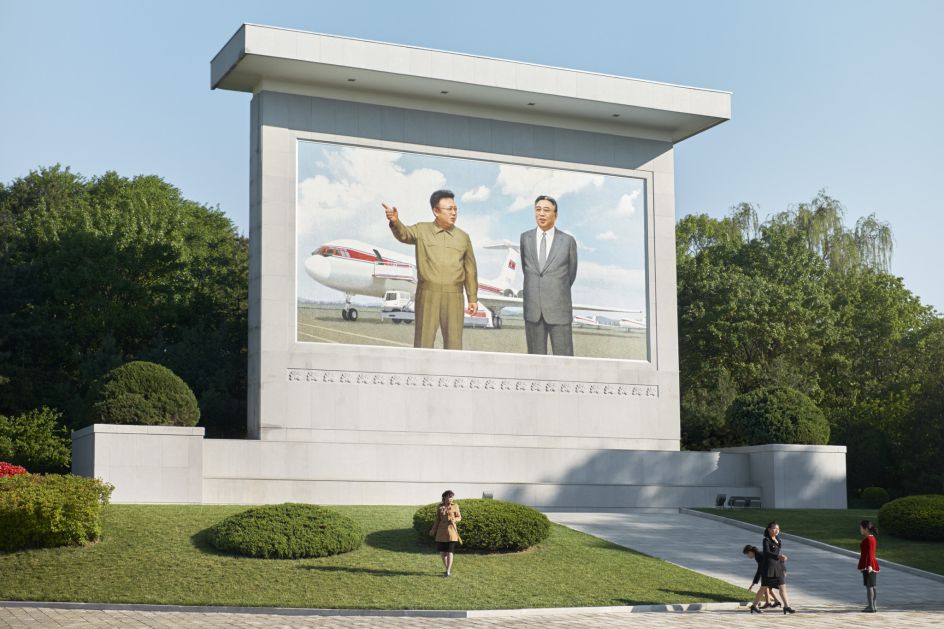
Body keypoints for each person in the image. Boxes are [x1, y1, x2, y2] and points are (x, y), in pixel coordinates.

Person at [383, 190, 478, 350]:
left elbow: (470, 269)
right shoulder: (422, 230)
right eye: (449, 209)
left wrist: (472, 298)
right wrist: (395, 222)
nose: (454, 213)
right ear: (436, 211)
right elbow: (404, 234)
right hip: (428, 294)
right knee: (423, 343)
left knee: (454, 345)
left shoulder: (463, 237)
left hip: (454, 296)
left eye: (455, 209)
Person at [519, 195, 578, 356]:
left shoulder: (567, 241)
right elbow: (528, 272)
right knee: (535, 363)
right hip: (533, 312)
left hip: (559, 311)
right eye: (538, 210)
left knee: (565, 361)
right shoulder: (525, 238)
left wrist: (554, 290)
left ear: (556, 215)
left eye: (546, 210)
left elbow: (570, 276)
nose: (541, 214)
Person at [755, 521, 796, 614]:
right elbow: (767, 553)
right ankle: (754, 606)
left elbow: (778, 554)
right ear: (769, 529)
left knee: (782, 587)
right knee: (763, 588)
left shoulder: (778, 539)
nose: (776, 530)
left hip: (778, 567)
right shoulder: (766, 540)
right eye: (774, 528)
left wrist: (783, 567)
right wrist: (778, 556)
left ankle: (787, 606)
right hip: (768, 568)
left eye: (778, 528)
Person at [429, 489, 462, 576]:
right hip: (441, 532)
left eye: (452, 497)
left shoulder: (455, 506)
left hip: (452, 532)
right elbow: (437, 520)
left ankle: (448, 571)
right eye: (450, 496)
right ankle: (447, 568)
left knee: (450, 551)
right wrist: (433, 529)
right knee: (443, 553)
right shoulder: (439, 506)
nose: (451, 498)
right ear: (445, 497)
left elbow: (459, 517)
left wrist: (455, 519)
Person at [743, 544, 782, 612]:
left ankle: (763, 604)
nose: (747, 556)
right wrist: (754, 582)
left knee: (765, 586)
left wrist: (754, 582)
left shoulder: (758, 555)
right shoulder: (758, 554)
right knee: (767, 587)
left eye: (747, 554)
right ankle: (774, 602)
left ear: (750, 552)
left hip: (772, 571)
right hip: (772, 570)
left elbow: (759, 569)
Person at [858, 520, 880, 612]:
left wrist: (869, 565)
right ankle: (873, 606)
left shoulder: (869, 539)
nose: (860, 530)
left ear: (866, 529)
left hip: (869, 565)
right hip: (869, 564)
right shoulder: (871, 538)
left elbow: (870, 554)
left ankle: (871, 607)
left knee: (869, 586)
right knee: (872, 586)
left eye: (861, 528)